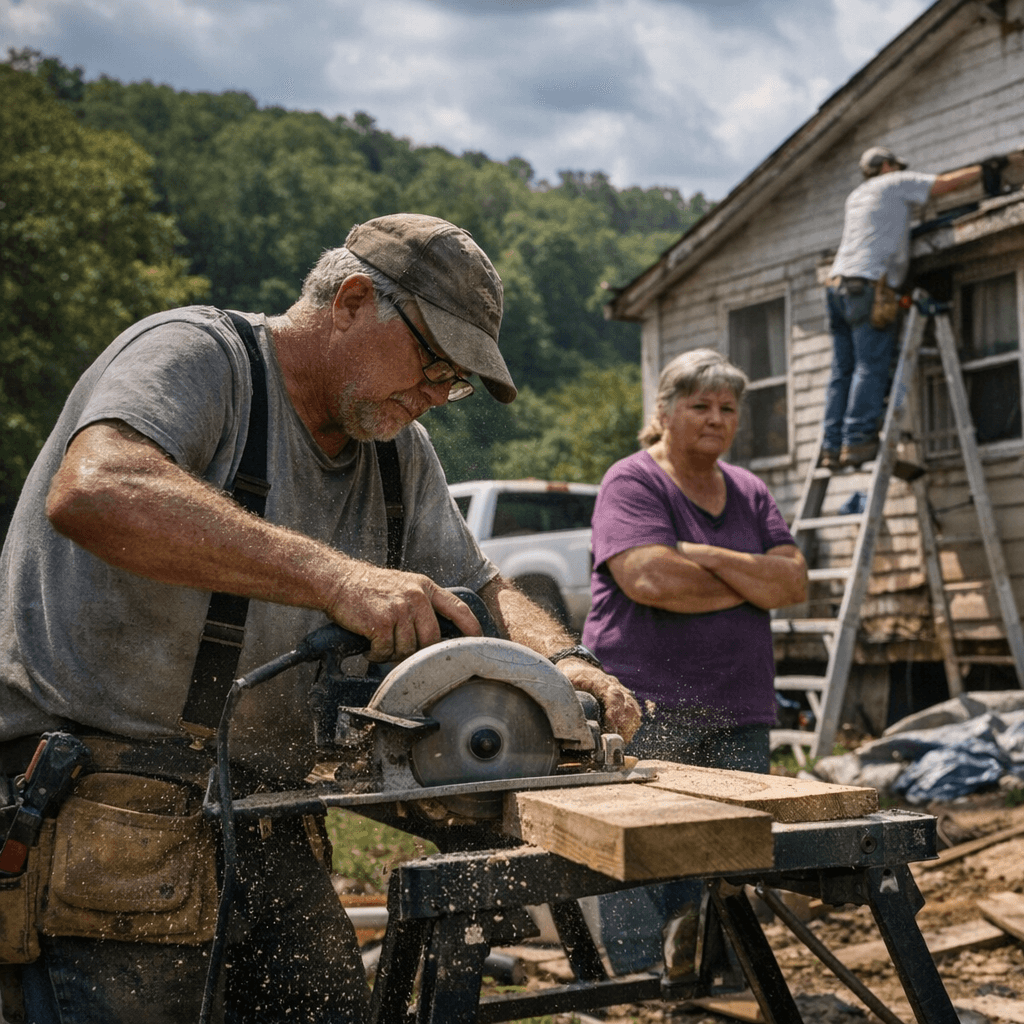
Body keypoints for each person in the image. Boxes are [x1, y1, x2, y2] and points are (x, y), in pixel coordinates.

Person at [0, 213, 641, 1022]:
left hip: (265, 811)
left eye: (456, 380)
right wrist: (336, 579)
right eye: (432, 362)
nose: (438, 395)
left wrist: (568, 665)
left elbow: (481, 584)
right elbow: (94, 489)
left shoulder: (396, 447)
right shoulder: (199, 356)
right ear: (351, 299)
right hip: (103, 804)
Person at [582, 347, 807, 974]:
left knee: (727, 848)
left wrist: (702, 554)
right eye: (699, 405)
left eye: (727, 407)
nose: (716, 418)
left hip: (739, 704)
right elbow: (651, 581)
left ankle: (709, 977)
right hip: (645, 702)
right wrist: (750, 582)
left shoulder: (750, 490)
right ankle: (634, 983)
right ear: (665, 410)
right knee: (641, 844)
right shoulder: (632, 480)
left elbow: (793, 583)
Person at [821, 145, 992, 469]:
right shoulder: (894, 183)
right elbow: (943, 185)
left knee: (842, 370)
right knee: (870, 365)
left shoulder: (856, 195)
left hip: (835, 287)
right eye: (897, 166)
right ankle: (857, 440)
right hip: (867, 285)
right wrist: (984, 170)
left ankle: (832, 445)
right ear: (887, 166)